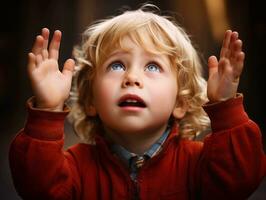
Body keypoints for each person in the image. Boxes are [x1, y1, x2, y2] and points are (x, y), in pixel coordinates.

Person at [9, 4, 265, 200]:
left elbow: (240, 180)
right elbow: (36, 187)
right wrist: (48, 109)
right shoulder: (74, 168)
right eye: (117, 65)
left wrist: (225, 107)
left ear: (180, 102)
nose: (132, 77)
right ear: (91, 101)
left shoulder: (199, 165)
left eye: (152, 66)